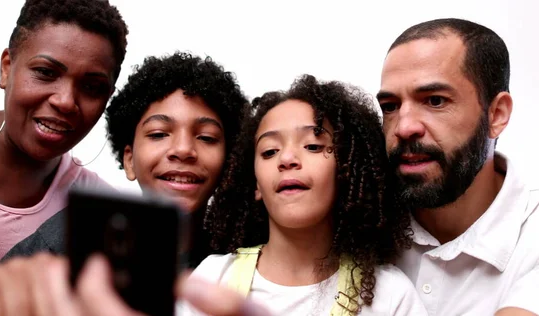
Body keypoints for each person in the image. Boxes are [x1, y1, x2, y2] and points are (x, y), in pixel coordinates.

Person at [0, 52, 250, 315]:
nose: (183, 149)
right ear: (129, 160)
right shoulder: (67, 237)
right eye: (159, 134)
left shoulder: (243, 262)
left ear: (230, 162)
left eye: (207, 138)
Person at [178, 74, 426, 315]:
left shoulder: (391, 295)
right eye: (269, 151)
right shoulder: (213, 278)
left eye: (312, 146)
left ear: (346, 172)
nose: (286, 159)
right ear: (256, 185)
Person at [376, 18, 539, 315]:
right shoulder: (354, 223)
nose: (404, 127)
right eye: (390, 106)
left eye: (435, 100)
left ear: (497, 114)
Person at [0, 0, 128, 278]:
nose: (66, 102)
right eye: (45, 73)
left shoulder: (97, 212)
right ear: (7, 67)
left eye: (92, 87)